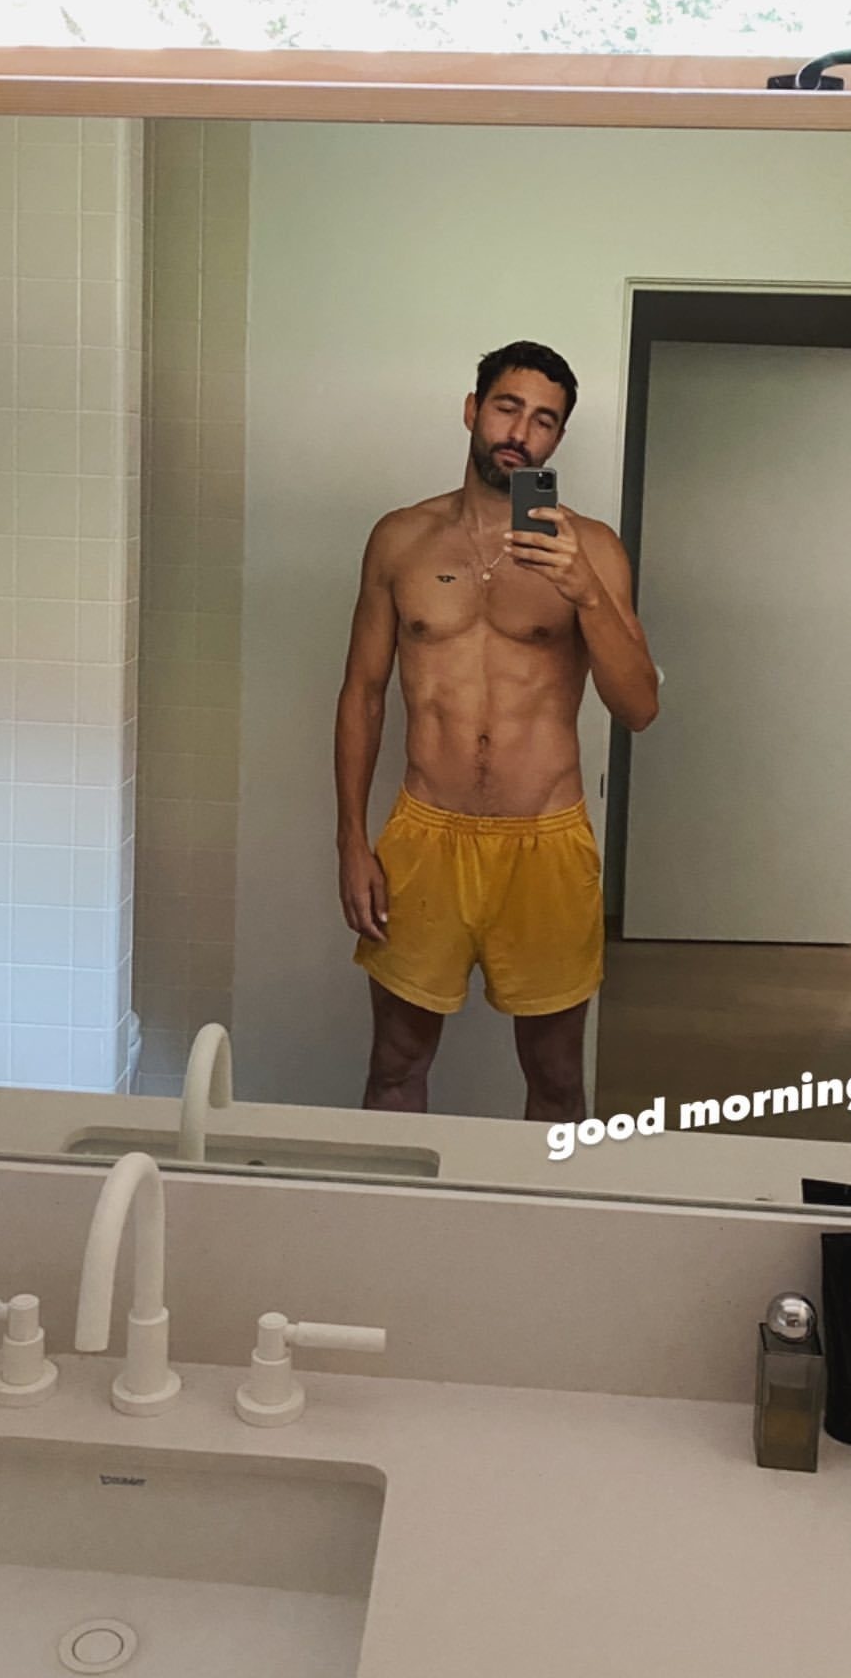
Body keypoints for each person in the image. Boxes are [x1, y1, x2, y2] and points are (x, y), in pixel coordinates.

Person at [334, 341, 659, 1122]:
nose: (520, 431)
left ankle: (541, 1208)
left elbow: (638, 707)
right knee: (394, 1063)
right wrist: (350, 840)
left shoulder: (593, 550)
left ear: (557, 439)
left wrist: (585, 592)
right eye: (507, 408)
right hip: (424, 835)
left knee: (555, 1077)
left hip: (546, 839)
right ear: (472, 410)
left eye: (544, 420)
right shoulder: (400, 539)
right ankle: (387, 1204)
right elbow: (362, 694)